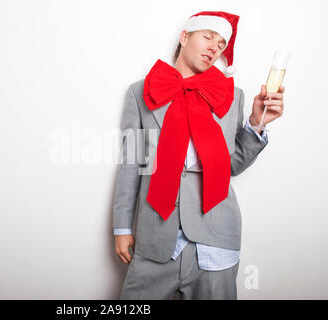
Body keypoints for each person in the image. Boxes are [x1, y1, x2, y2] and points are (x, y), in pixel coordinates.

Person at [112, 11, 285, 300]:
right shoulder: (140, 92)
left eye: (220, 44)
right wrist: (121, 226)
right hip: (156, 238)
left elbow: (229, 165)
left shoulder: (232, 96)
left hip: (215, 240)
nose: (214, 48)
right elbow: (130, 163)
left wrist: (257, 124)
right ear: (184, 37)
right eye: (208, 37)